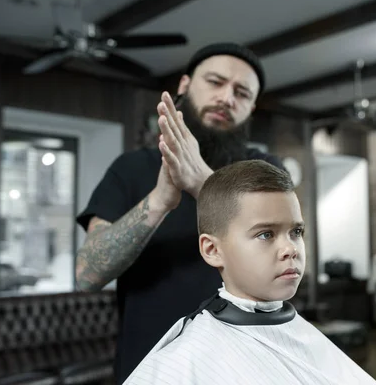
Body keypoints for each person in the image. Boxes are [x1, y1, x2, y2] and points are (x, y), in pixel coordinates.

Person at [75, 43, 287, 383]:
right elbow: (87, 274)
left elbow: (284, 260)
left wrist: (202, 181)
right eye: (215, 82)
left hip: (247, 369)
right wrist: (160, 199)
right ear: (185, 86)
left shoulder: (266, 171)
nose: (227, 98)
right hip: (150, 370)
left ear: (251, 107)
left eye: (242, 93)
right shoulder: (130, 169)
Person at [123, 160, 376, 385]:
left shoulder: (303, 335)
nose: (290, 249)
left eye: (296, 232)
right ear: (212, 249)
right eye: (265, 234)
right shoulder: (183, 360)